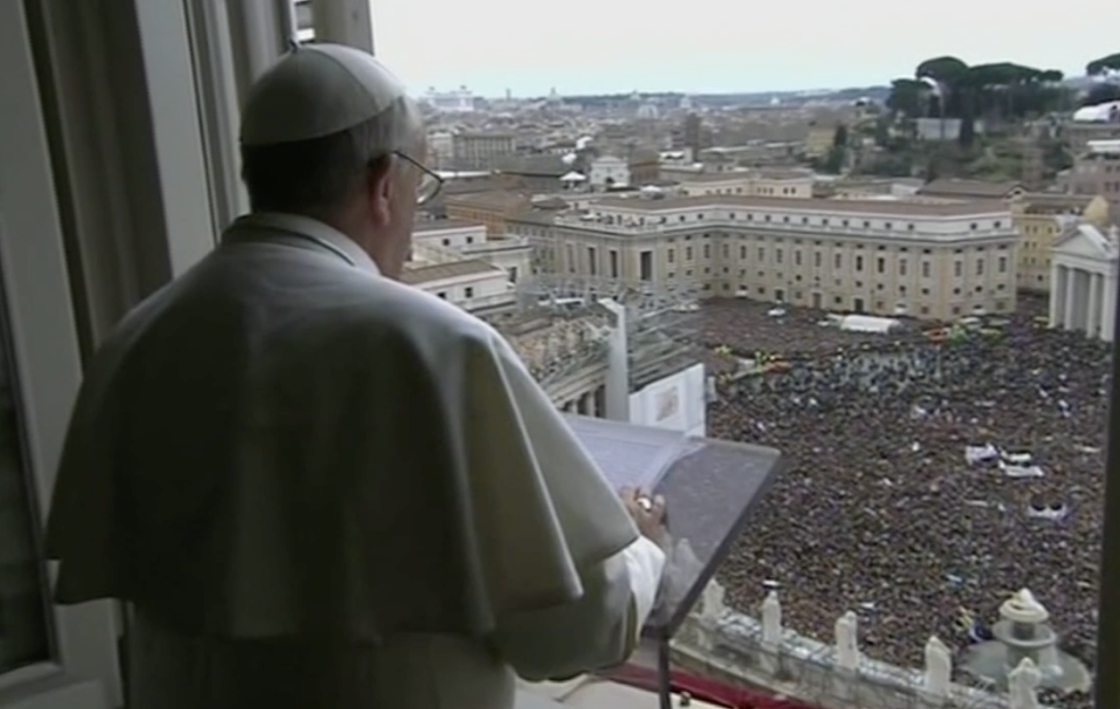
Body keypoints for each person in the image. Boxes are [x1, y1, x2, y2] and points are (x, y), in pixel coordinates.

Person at [43, 43, 667, 709]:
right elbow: (570, 634)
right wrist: (643, 548)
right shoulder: (433, 345)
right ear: (383, 183)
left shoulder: (138, 334)